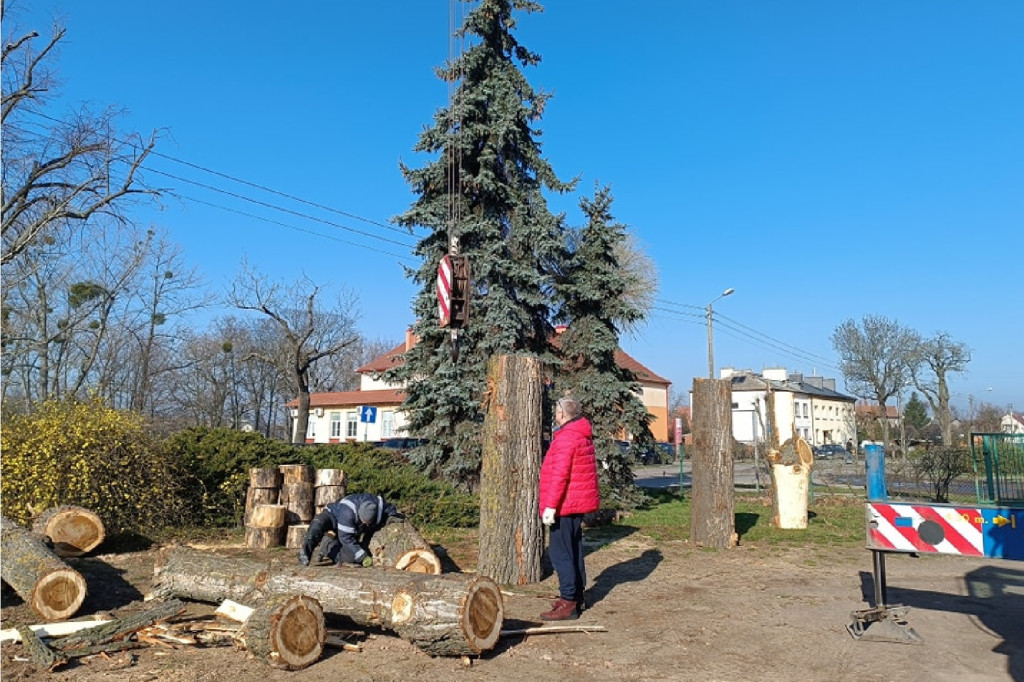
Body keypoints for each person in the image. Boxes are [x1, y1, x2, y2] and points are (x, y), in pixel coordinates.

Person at [538, 395, 600, 621]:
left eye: (556, 411)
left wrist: (550, 507)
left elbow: (559, 476)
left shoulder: (566, 438)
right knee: (574, 551)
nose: (554, 415)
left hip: (564, 504)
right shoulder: (581, 435)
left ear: (563, 414)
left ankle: (569, 601)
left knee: (560, 553)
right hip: (576, 503)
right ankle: (577, 596)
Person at [298, 492, 400, 567]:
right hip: (333, 516)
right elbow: (346, 538)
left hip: (352, 528)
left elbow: (389, 509)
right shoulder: (347, 512)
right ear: (359, 514)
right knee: (316, 526)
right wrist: (362, 557)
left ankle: (333, 548)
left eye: (368, 522)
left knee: (349, 559)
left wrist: (394, 516)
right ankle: (319, 548)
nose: (366, 524)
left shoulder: (379, 506)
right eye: (364, 521)